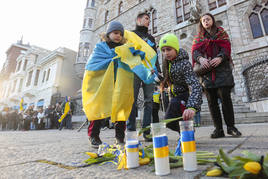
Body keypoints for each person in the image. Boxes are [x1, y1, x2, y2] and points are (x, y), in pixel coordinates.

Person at [192, 13, 242, 138]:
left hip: (222, 71)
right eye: (203, 20)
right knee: (211, 102)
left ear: (213, 20)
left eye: (208, 19)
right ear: (201, 23)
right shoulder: (198, 37)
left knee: (225, 99)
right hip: (207, 74)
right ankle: (218, 129)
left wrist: (220, 57)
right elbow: (194, 51)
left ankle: (231, 127)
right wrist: (200, 59)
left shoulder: (221, 33)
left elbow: (226, 47)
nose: (206, 21)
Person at [86, 21, 128, 148]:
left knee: (120, 110)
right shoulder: (100, 48)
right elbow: (92, 65)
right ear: (108, 34)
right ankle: (94, 135)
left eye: (120, 34)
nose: (118, 36)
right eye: (115, 33)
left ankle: (120, 137)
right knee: (98, 108)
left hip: (118, 83)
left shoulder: (123, 49)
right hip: (102, 83)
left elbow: (129, 63)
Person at [127, 12, 162, 141]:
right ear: (138, 20)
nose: (149, 21)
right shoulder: (131, 35)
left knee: (149, 101)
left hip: (149, 72)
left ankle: (146, 131)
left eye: (149, 19)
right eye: (146, 18)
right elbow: (127, 52)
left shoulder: (151, 38)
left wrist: (158, 70)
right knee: (132, 101)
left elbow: (155, 55)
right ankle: (130, 130)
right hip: (135, 71)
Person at [159, 33, 203, 132]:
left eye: (169, 49)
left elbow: (195, 85)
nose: (166, 53)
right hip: (173, 96)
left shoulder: (184, 64)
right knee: (175, 122)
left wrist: (192, 106)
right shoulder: (166, 63)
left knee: (169, 120)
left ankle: (187, 132)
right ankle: (186, 135)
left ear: (176, 49)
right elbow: (167, 80)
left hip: (184, 96)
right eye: (163, 50)